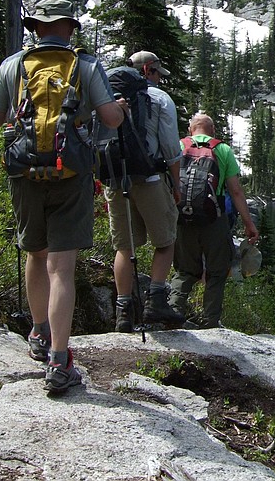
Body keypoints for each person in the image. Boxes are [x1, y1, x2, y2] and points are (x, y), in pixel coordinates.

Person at [0, 0, 126, 395]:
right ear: (69, 28)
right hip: (72, 173)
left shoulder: (14, 65)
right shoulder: (86, 65)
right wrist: (119, 110)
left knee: (35, 253)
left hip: (25, 172)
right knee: (62, 267)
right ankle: (60, 362)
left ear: (35, 28)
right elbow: (111, 119)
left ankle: (38, 332)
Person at [108, 50, 185, 331]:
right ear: (148, 70)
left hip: (116, 179)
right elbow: (170, 148)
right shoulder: (160, 99)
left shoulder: (108, 94)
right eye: (156, 74)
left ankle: (123, 313)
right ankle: (156, 302)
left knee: (124, 247)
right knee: (165, 240)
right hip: (151, 178)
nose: (159, 80)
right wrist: (176, 184)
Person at [169, 112, 260, 328]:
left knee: (184, 271)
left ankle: (172, 313)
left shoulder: (178, 146)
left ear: (191, 130)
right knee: (217, 271)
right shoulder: (222, 149)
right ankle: (210, 321)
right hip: (214, 220)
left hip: (182, 219)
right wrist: (249, 224)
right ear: (212, 131)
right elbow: (236, 191)